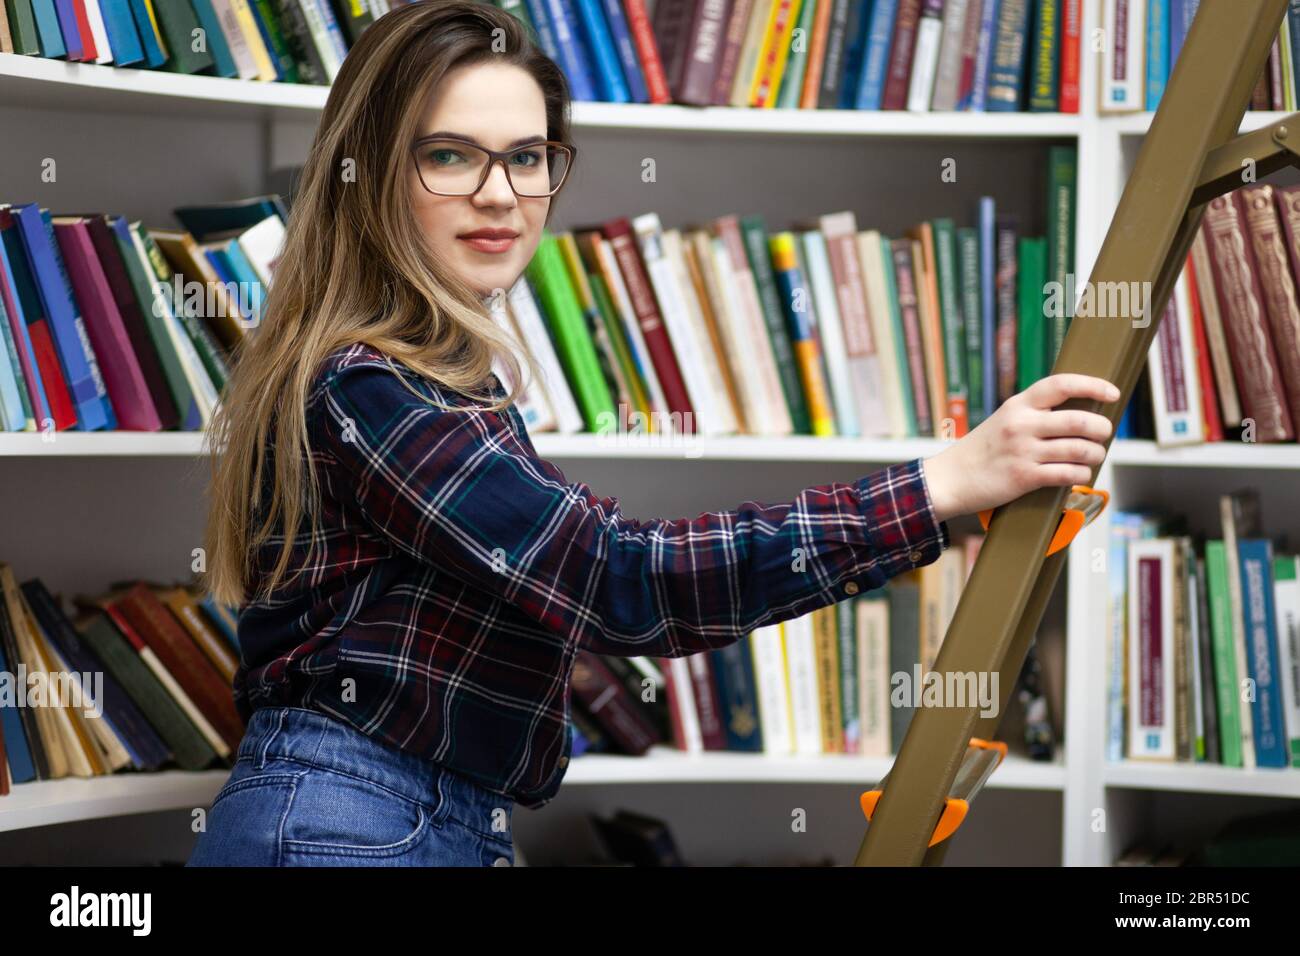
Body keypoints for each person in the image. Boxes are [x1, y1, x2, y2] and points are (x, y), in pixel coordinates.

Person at [188, 0, 1118, 867]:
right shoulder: (372, 386)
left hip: (407, 818)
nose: (502, 194)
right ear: (371, 170)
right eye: (449, 156)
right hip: (350, 819)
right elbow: (620, 582)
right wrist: (936, 487)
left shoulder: (423, 376)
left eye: (526, 156)